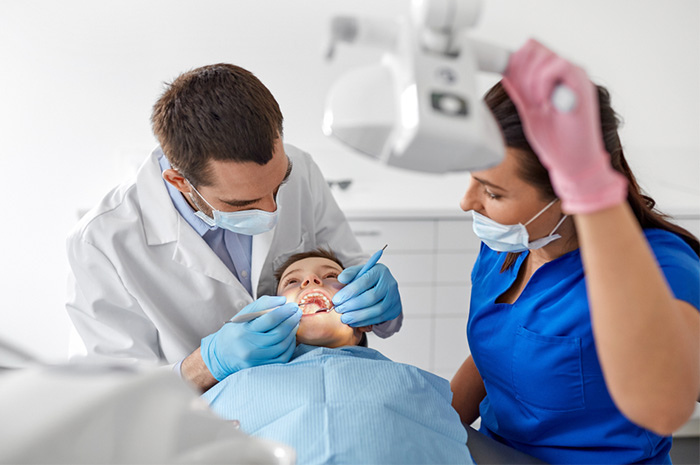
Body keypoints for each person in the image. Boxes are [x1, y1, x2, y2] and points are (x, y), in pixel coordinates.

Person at [66, 63, 403, 392]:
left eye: (279, 185)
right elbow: (109, 399)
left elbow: (349, 268)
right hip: (197, 430)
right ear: (180, 181)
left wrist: (377, 304)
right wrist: (206, 364)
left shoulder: (301, 167)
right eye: (243, 204)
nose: (272, 210)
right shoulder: (101, 243)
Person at [450, 39, 700, 464]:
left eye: (492, 192)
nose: (467, 201)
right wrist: (432, 426)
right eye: (471, 178)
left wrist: (591, 186)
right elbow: (495, 351)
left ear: (565, 195)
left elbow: (665, 407)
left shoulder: (663, 267)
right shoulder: (507, 245)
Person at [202, 248, 474, 465]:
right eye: (292, 281)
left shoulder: (414, 382)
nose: (311, 281)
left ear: (365, 320)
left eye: (332, 276)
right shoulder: (238, 379)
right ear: (269, 315)